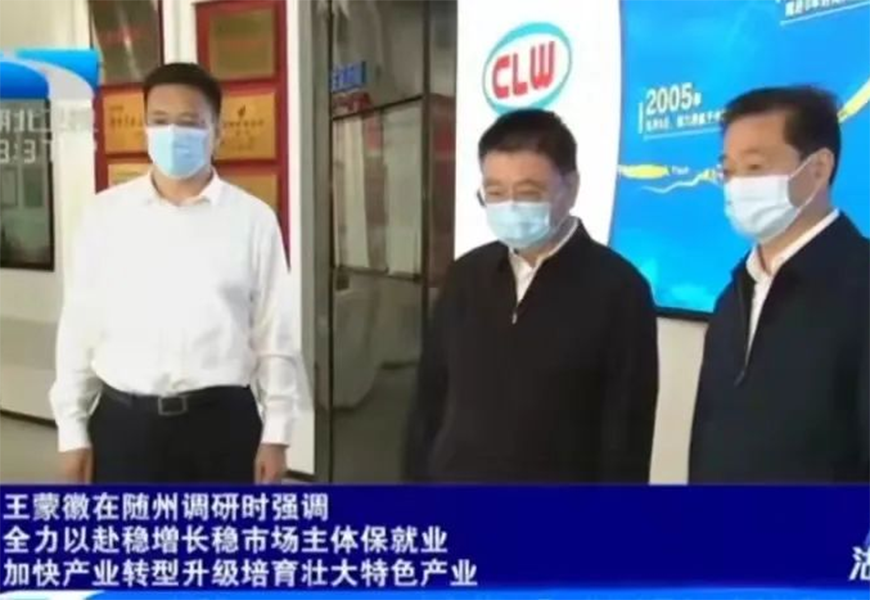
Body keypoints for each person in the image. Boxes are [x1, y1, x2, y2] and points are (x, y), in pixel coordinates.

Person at [50, 63, 308, 484]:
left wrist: (277, 435)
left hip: (222, 426)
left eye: (189, 122)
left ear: (218, 132)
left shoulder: (253, 220)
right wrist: (72, 430)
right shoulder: (104, 216)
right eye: (159, 120)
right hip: (124, 426)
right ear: (145, 129)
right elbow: (79, 328)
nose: (173, 133)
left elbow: (275, 334)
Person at [403, 109, 659, 483]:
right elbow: (428, 402)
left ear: (570, 188)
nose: (510, 207)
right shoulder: (465, 276)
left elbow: (626, 439)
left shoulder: (620, 290)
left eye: (528, 193)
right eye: (495, 193)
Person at [690, 86, 870, 482]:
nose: (736, 185)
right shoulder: (734, 294)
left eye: (754, 167)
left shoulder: (860, 285)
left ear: (818, 169)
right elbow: (708, 434)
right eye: (728, 171)